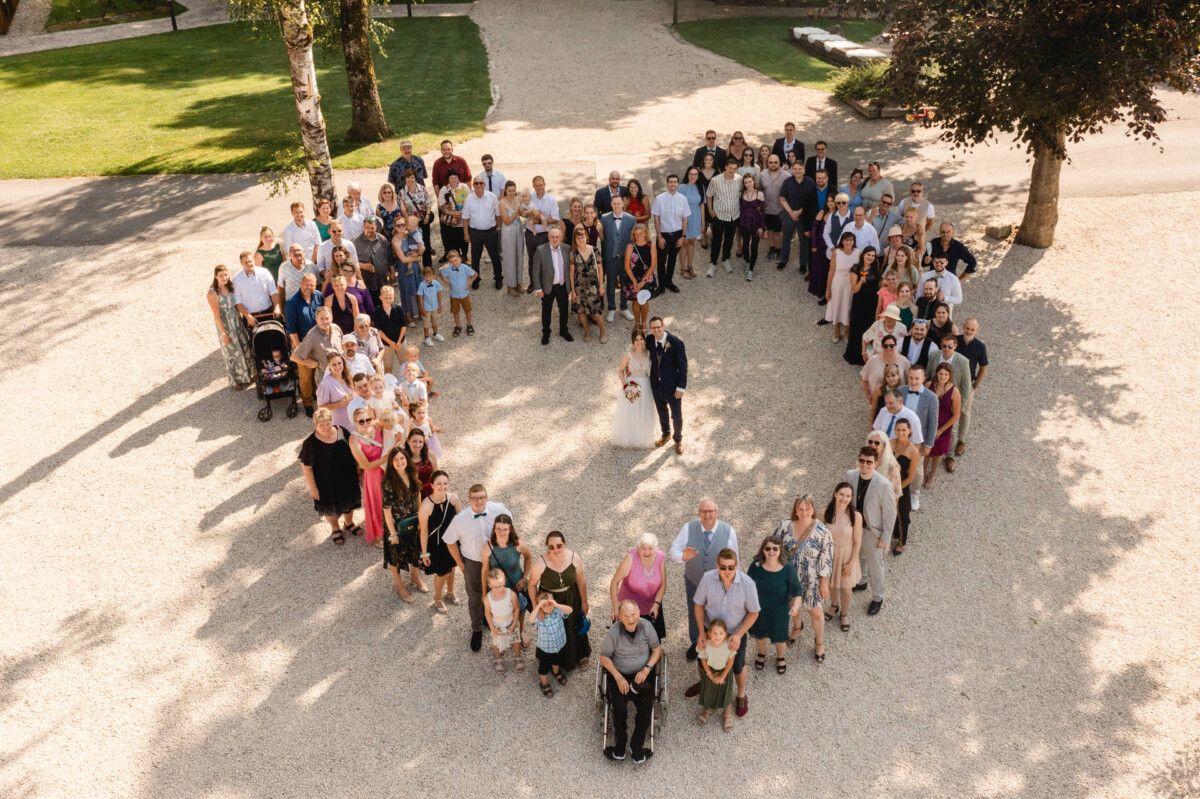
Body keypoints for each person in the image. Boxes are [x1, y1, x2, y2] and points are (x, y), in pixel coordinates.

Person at [687, 548, 759, 719]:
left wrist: (739, 635)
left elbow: (754, 612)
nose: (727, 571)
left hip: (735, 632)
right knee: (703, 660)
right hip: (710, 631)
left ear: (737, 565)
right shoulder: (707, 578)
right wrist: (701, 632)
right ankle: (705, 683)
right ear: (717, 565)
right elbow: (698, 604)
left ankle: (741, 695)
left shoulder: (747, 584)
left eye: (731, 567)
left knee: (738, 665)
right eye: (723, 567)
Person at [444, 483, 513, 652]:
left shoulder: (499, 509)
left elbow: (509, 527)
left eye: (482, 497)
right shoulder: (460, 520)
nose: (479, 501)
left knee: (498, 592)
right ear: (469, 500)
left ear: (487, 498)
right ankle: (477, 629)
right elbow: (450, 541)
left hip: (496, 560)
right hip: (473, 562)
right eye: (475, 498)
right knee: (475, 597)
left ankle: (496, 621)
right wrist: (461, 564)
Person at [669, 497, 737, 659]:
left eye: (710, 511)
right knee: (694, 611)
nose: (707, 515)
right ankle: (696, 642)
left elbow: (735, 559)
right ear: (699, 513)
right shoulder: (689, 527)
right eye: (704, 511)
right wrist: (683, 557)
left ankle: (716, 643)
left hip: (719, 583)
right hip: (694, 580)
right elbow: (673, 550)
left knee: (716, 611)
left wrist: (732, 583)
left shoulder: (728, 531)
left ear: (717, 513)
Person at [599, 600, 662, 762]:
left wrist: (646, 669)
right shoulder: (614, 632)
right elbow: (604, 657)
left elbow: (657, 650)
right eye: (626, 616)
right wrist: (618, 677)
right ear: (620, 617)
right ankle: (619, 748)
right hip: (620, 674)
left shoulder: (646, 626)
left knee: (646, 708)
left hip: (643, 673)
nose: (631, 619)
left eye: (633, 615)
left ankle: (636, 747)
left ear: (639, 613)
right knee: (619, 709)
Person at [773, 494, 833, 660]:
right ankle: (797, 628)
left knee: (816, 613)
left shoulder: (823, 532)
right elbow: (773, 545)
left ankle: (819, 642)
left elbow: (826, 559)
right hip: (789, 577)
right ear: (795, 510)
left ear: (813, 510)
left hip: (812, 580)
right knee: (793, 605)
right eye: (800, 509)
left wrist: (824, 583)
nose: (804, 512)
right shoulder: (785, 525)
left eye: (807, 509)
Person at [527, 531, 591, 671]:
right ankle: (552, 659)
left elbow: (581, 580)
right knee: (551, 629)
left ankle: (579, 655)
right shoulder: (541, 562)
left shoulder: (574, 557)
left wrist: (584, 602)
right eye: (551, 547)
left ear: (564, 544)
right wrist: (536, 607)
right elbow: (531, 585)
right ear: (547, 547)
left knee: (574, 624)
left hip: (571, 597)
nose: (555, 550)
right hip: (550, 601)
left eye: (559, 546)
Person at [299, 409, 362, 546]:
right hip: (326, 483)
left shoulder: (341, 431)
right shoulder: (310, 443)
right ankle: (335, 528)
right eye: (321, 425)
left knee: (350, 501)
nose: (326, 427)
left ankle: (349, 523)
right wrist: (313, 488)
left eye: (328, 423)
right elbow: (307, 467)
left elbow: (354, 449)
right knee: (330, 506)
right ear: (315, 425)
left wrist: (358, 468)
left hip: (347, 477)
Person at [848, 446, 897, 615]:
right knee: (859, 556)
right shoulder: (850, 475)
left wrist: (885, 537)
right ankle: (862, 581)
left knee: (875, 566)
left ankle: (878, 596)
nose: (864, 465)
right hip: (855, 528)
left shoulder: (884, 485)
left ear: (876, 463)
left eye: (869, 462)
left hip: (872, 531)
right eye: (862, 460)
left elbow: (890, 513)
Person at [747, 534, 802, 674]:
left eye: (775, 549)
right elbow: (747, 584)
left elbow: (797, 590)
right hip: (758, 608)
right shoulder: (756, 566)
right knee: (759, 633)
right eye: (768, 548)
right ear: (763, 550)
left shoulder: (787, 569)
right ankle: (761, 654)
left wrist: (795, 606)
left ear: (780, 550)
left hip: (780, 609)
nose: (771, 551)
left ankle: (780, 657)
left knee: (780, 635)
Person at [381, 445, 428, 601]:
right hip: (395, 524)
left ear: (406, 459)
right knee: (395, 556)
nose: (399, 462)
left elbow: (418, 495)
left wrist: (420, 517)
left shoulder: (412, 473)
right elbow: (386, 511)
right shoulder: (388, 483)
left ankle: (415, 577)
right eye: (395, 459)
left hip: (412, 519)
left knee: (414, 549)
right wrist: (393, 533)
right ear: (391, 462)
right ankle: (400, 586)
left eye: (402, 458)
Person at [480, 514, 532, 646]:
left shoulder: (518, 544)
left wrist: (524, 578)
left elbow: (528, 557)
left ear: (510, 530)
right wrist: (484, 592)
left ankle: (520, 632)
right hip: (497, 587)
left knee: (520, 610)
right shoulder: (488, 548)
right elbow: (485, 570)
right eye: (498, 529)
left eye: (505, 529)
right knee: (499, 612)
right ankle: (501, 636)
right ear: (494, 529)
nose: (501, 533)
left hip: (516, 584)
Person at [925, 334, 974, 472]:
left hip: (951, 399)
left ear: (955, 346)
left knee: (952, 429)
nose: (946, 349)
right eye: (944, 346)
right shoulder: (934, 355)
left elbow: (966, 386)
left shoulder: (963, 361)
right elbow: (928, 374)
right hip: (935, 394)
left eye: (950, 346)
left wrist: (959, 407)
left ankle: (950, 456)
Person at [418, 470, 463, 612]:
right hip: (437, 544)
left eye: (445, 483)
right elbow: (424, 531)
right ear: (432, 485)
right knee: (443, 572)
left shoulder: (453, 499)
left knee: (452, 567)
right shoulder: (426, 505)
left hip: (453, 541)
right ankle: (437, 597)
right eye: (439, 484)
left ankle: (450, 590)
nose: (442, 487)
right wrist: (424, 553)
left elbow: (460, 520)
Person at [609, 533, 667, 640]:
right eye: (643, 548)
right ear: (638, 548)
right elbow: (614, 582)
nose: (647, 552)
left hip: (651, 606)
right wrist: (616, 607)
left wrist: (656, 605)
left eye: (650, 549)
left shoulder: (660, 557)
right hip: (629, 609)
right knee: (627, 641)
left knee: (652, 640)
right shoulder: (630, 558)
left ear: (655, 548)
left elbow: (662, 584)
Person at [207, 265, 255, 390]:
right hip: (226, 325)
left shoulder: (231, 286)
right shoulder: (213, 293)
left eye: (226, 275)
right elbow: (217, 316)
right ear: (216, 277)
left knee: (244, 347)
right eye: (221, 276)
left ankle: (248, 375)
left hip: (237, 321)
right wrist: (224, 333)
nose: (224, 278)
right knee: (231, 351)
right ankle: (236, 381)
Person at [823, 484, 862, 632]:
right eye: (841, 494)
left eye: (848, 496)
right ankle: (834, 605)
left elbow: (857, 542)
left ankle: (844, 613)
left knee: (846, 589)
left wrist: (851, 563)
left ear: (851, 498)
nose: (844, 498)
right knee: (832, 584)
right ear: (835, 494)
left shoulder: (856, 516)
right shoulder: (824, 512)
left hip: (847, 555)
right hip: (830, 555)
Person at [899, 363, 937, 511]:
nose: (913, 381)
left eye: (917, 378)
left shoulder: (931, 397)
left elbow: (933, 422)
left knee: (918, 468)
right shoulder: (900, 391)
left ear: (923, 379)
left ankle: (915, 493)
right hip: (899, 438)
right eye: (911, 378)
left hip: (918, 440)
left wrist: (928, 444)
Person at [348, 407, 388, 548]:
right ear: (355, 422)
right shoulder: (354, 440)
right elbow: (366, 465)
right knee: (377, 503)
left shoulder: (376, 425)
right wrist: (388, 457)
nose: (365, 423)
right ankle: (378, 534)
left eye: (367, 419)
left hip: (387, 469)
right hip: (373, 474)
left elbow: (394, 420)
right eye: (361, 421)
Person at [291, 306, 342, 413]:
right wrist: (308, 362)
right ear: (316, 320)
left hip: (340, 374)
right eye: (321, 319)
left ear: (331, 317)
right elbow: (294, 357)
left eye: (327, 318)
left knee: (340, 405)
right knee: (326, 408)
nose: (325, 321)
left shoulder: (336, 329)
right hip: (324, 376)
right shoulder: (312, 336)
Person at [647, 316, 687, 453]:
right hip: (656, 384)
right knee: (662, 410)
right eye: (653, 328)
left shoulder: (676, 343)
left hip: (673, 386)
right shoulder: (649, 340)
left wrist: (681, 387)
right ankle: (666, 433)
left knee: (676, 414)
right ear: (650, 329)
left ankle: (678, 439)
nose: (656, 330)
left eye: (659, 327)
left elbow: (683, 367)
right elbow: (641, 353)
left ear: (663, 326)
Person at [611, 329, 657, 448]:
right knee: (631, 411)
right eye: (636, 340)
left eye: (641, 339)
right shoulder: (628, 356)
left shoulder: (649, 353)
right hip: (632, 384)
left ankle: (643, 437)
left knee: (644, 410)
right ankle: (631, 437)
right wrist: (626, 386)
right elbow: (620, 371)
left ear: (644, 340)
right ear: (633, 341)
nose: (639, 342)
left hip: (646, 384)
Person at [532, 227, 574, 345]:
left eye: (557, 237)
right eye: (552, 237)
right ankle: (546, 333)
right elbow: (535, 271)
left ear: (561, 237)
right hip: (547, 287)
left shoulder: (567, 248)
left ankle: (563, 330)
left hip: (562, 286)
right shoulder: (540, 250)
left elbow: (570, 269)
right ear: (548, 237)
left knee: (564, 310)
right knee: (546, 310)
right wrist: (538, 288)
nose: (555, 239)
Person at [924, 362, 963, 487]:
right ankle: (923, 471)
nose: (943, 377)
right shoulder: (929, 385)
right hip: (929, 421)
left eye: (946, 374)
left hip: (944, 424)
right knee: (926, 449)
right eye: (941, 373)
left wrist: (941, 430)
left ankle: (932, 474)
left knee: (938, 451)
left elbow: (956, 415)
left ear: (950, 375)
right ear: (936, 373)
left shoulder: (954, 391)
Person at [695, 618, 736, 731]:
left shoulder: (729, 645)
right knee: (709, 691)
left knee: (726, 692)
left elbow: (731, 662)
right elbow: (703, 660)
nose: (718, 636)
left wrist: (722, 676)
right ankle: (708, 708)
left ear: (726, 634)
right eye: (714, 633)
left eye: (721, 633)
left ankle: (727, 713)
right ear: (709, 633)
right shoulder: (705, 645)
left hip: (725, 672)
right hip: (710, 671)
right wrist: (710, 675)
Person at [601, 196, 637, 322]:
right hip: (610, 258)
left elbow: (634, 239)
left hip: (625, 258)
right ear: (611, 204)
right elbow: (601, 237)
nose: (616, 206)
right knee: (610, 283)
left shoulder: (631, 219)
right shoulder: (604, 218)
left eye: (618, 203)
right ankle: (611, 308)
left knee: (625, 283)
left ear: (623, 204)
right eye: (614, 203)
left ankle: (624, 307)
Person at [955, 317, 988, 455]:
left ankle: (961, 440)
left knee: (965, 411)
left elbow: (983, 367)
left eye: (972, 329)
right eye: (967, 328)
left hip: (968, 383)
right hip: (952, 381)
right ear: (963, 327)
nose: (969, 331)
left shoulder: (980, 347)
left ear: (977, 330)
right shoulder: (954, 341)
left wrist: (975, 384)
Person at [462, 175, 502, 290]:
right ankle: (475, 279)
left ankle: (498, 278)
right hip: (475, 233)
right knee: (475, 258)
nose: (479, 185)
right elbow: (465, 218)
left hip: (491, 232)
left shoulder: (492, 197)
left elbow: (498, 214)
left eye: (481, 183)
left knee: (495, 257)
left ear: (484, 184)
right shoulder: (469, 199)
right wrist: (466, 233)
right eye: (476, 183)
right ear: (473, 185)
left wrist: (498, 228)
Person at [843, 246, 882, 363]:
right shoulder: (856, 268)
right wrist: (860, 281)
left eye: (873, 255)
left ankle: (867, 355)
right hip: (859, 303)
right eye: (868, 255)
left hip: (872, 303)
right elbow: (854, 290)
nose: (870, 257)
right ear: (863, 255)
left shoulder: (876, 269)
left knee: (868, 328)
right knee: (857, 328)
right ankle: (855, 355)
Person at [651, 174, 688, 294]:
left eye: (675, 182)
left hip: (677, 235)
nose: (673, 184)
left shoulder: (683, 199)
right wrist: (659, 237)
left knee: (672, 259)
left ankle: (669, 282)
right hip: (664, 235)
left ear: (678, 184)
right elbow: (656, 218)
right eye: (670, 182)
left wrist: (683, 237)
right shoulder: (660, 199)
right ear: (667, 183)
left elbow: (685, 219)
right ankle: (661, 286)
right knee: (661, 261)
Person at [530, 592, 572, 697]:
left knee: (557, 660)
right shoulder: (539, 615)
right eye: (544, 605)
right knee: (544, 667)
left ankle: (556, 672)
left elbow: (569, 610)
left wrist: (556, 604)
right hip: (546, 648)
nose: (548, 607)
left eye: (550, 604)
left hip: (559, 644)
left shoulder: (557, 611)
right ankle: (544, 683)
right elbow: (530, 620)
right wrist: (538, 607)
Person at [705, 159, 742, 277]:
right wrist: (710, 210)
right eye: (730, 168)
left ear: (737, 169)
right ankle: (713, 263)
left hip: (733, 216)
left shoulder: (739, 179)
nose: (732, 171)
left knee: (729, 240)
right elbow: (709, 195)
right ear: (726, 167)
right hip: (719, 216)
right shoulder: (715, 180)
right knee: (716, 240)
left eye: (734, 169)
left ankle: (725, 260)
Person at [569, 225, 606, 343]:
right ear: (575, 240)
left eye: (582, 237)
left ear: (586, 238)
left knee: (597, 311)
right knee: (581, 312)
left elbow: (600, 269)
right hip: (579, 288)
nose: (580, 240)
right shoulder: (573, 254)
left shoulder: (595, 250)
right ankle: (586, 331)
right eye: (578, 238)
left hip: (594, 287)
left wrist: (601, 286)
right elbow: (571, 273)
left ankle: (602, 332)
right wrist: (573, 291)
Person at [890, 418, 920, 554]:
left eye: (903, 430)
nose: (900, 432)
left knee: (902, 513)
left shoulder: (913, 451)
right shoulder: (890, 443)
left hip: (902, 485)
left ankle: (902, 542)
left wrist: (897, 490)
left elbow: (911, 477)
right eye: (898, 430)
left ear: (909, 431)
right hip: (888, 482)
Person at [484, 569, 523, 674]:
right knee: (497, 642)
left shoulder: (511, 594)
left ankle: (518, 657)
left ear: (504, 582)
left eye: (501, 585)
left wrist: (514, 624)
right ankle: (498, 659)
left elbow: (516, 608)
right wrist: (492, 627)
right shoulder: (488, 598)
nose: (499, 589)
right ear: (489, 585)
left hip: (510, 621)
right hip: (497, 623)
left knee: (515, 640)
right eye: (495, 587)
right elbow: (488, 613)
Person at [232, 251, 282, 329]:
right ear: (241, 263)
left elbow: (274, 291)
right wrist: (248, 317)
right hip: (251, 318)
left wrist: (277, 307)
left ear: (254, 260)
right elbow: (238, 301)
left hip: (269, 313)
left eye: (250, 261)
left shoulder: (265, 272)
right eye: (245, 262)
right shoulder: (236, 279)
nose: (249, 264)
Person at [523, 176, 561, 275]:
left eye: (541, 185)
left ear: (544, 185)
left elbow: (556, 219)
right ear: (533, 186)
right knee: (532, 259)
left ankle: (545, 282)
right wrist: (529, 214)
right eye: (536, 186)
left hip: (544, 235)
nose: (539, 188)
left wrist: (539, 221)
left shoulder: (551, 200)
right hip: (530, 234)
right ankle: (533, 281)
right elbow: (521, 211)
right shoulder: (529, 197)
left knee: (545, 260)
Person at [622, 224, 656, 333]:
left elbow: (653, 265)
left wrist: (643, 281)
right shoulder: (630, 246)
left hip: (646, 278)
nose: (639, 236)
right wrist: (634, 281)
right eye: (636, 234)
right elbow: (626, 266)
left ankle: (644, 322)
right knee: (636, 301)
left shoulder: (651, 246)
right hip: (633, 278)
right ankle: (637, 322)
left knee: (644, 300)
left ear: (645, 233)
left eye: (641, 233)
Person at [824, 231, 858, 340]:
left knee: (849, 308)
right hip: (838, 283)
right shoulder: (836, 253)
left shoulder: (858, 253)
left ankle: (847, 330)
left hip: (851, 284)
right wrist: (827, 290)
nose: (848, 242)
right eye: (846, 240)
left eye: (851, 240)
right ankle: (837, 329)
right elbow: (831, 272)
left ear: (854, 242)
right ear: (842, 241)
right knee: (837, 306)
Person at [398, 170, 434, 269]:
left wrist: (427, 215)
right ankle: (417, 266)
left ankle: (427, 265)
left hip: (423, 220)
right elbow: (403, 209)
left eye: (412, 177)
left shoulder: (422, 189)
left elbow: (428, 204)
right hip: (411, 223)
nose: (410, 180)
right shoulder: (402, 192)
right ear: (405, 179)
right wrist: (408, 222)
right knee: (413, 244)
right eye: (408, 178)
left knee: (425, 242)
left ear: (415, 178)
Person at [861, 333, 910, 402]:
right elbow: (864, 378)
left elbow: (910, 380)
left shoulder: (904, 361)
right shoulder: (873, 360)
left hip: (898, 399)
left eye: (891, 346)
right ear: (882, 346)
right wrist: (868, 395)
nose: (888, 348)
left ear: (895, 346)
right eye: (885, 346)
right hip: (878, 397)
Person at [498, 181, 527, 295]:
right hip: (508, 230)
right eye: (509, 191)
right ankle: (510, 286)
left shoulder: (518, 199)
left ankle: (518, 283)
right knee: (509, 257)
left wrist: (527, 213)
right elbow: (506, 221)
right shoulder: (502, 203)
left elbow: (523, 213)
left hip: (518, 229)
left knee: (519, 255)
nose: (512, 193)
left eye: (514, 191)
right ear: (505, 190)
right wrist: (517, 213)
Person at [354, 216, 392, 305]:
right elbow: (350, 262)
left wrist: (392, 272)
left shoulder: (382, 239)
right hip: (366, 283)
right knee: (370, 306)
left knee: (384, 305)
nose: (369, 230)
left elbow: (389, 256)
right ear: (363, 227)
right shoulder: (355, 242)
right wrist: (363, 266)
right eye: (367, 228)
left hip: (382, 282)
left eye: (372, 228)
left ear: (376, 227)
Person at [440, 250, 477, 338]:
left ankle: (469, 325)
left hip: (464, 294)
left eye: (456, 260)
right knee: (455, 311)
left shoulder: (464, 267)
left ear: (460, 259)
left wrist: (470, 282)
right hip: (454, 295)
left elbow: (475, 274)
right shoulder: (448, 269)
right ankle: (458, 326)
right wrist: (447, 283)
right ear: (449, 262)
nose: (454, 263)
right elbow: (440, 274)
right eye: (452, 262)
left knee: (467, 310)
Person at [316, 351, 355, 431]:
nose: (338, 367)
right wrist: (340, 404)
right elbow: (321, 408)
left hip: (355, 419)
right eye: (334, 364)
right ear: (329, 365)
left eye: (339, 363)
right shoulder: (325, 384)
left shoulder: (348, 376)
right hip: (340, 424)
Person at [758, 155, 787, 263]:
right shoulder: (762, 175)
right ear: (767, 163)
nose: (773, 164)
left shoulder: (786, 176)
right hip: (766, 208)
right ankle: (771, 249)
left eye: (775, 162)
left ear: (779, 162)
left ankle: (779, 251)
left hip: (780, 210)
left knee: (778, 232)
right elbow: (759, 190)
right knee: (769, 230)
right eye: (771, 162)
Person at [737, 173, 766, 281]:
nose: (748, 184)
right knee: (745, 245)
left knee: (754, 246)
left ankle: (751, 270)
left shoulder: (759, 194)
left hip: (756, 223)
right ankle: (747, 262)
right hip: (744, 222)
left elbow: (763, 212)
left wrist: (761, 227)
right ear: (744, 184)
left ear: (753, 182)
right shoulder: (741, 194)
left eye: (750, 181)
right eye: (746, 182)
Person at [679, 166, 705, 279]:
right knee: (684, 243)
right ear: (687, 174)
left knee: (692, 242)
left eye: (695, 174)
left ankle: (690, 266)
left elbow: (702, 205)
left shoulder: (701, 187)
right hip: (684, 218)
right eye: (691, 174)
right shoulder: (682, 187)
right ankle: (682, 268)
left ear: (698, 176)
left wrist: (703, 223)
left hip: (696, 217)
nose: (693, 176)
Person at [438, 172, 467, 263]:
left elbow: (469, 202)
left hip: (463, 218)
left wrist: (462, 212)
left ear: (458, 178)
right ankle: (455, 259)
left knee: (463, 239)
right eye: (451, 178)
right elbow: (441, 205)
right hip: (451, 219)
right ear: (448, 179)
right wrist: (452, 214)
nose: (453, 180)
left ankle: (465, 257)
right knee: (452, 239)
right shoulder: (444, 189)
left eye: (455, 177)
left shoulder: (464, 187)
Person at [415, 266, 445, 347]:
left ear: (433, 276)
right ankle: (427, 337)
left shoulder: (436, 283)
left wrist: (440, 306)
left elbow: (439, 295)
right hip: (426, 308)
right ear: (423, 276)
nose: (428, 278)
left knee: (435, 321)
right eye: (426, 276)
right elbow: (420, 298)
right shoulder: (422, 285)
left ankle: (435, 333)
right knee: (426, 324)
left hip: (435, 307)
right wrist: (422, 309)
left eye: (430, 276)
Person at [405, 426, 437, 499]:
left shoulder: (430, 454)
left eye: (420, 442)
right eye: (414, 441)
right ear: (408, 441)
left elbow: (436, 475)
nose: (418, 445)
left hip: (429, 491)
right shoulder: (403, 456)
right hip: (411, 494)